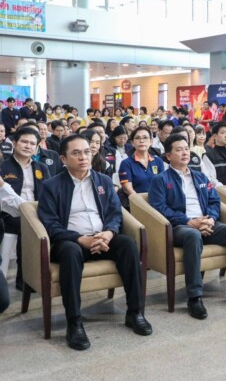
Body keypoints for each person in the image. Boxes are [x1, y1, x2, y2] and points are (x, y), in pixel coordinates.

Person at [37, 134, 152, 350]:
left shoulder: (104, 181)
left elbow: (115, 213)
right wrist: (81, 239)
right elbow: (50, 224)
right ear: (63, 159)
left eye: (87, 152)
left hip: (102, 237)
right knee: (70, 252)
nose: (83, 157)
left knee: (127, 245)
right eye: (76, 153)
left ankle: (135, 312)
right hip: (71, 241)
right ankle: (74, 323)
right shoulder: (51, 186)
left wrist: (109, 233)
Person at [149, 134, 226, 318]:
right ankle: (195, 297)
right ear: (168, 156)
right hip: (180, 227)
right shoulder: (160, 180)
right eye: (178, 150)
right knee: (193, 235)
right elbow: (159, 208)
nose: (185, 153)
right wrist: (188, 221)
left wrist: (211, 220)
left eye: (186, 148)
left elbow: (214, 201)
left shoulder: (200, 177)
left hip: (206, 222)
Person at [0, 127, 52, 290]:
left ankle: (29, 279)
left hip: (35, 213)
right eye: (24, 142)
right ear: (15, 143)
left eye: (32, 144)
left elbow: (48, 195)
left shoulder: (42, 168)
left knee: (37, 226)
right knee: (27, 227)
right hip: (8, 216)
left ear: (37, 147)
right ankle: (23, 281)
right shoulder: (3, 167)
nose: (28, 146)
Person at [119, 126, 165, 196]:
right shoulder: (126, 163)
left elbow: (163, 185)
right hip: (135, 200)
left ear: (151, 142)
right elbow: (127, 189)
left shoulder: (158, 161)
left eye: (145, 137)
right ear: (132, 143)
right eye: (138, 138)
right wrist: (141, 201)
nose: (142, 141)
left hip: (157, 199)